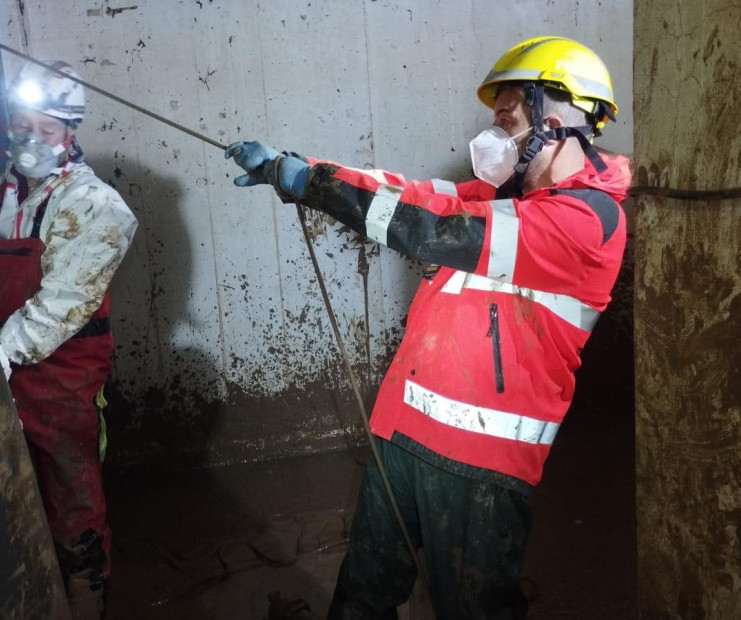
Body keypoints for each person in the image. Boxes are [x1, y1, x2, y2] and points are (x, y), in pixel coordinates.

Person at [225, 36, 629, 619]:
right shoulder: (501, 198)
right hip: (403, 432)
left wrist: (310, 187)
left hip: (479, 465)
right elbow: (406, 195)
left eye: (508, 113)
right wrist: (297, 168)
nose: (495, 129)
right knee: (361, 597)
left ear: (558, 115)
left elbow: (429, 227)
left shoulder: (586, 221)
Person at [0, 60, 137, 618]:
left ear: (70, 134)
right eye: (20, 125)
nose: (30, 139)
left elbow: (62, 303)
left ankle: (85, 598)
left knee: (70, 494)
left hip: (59, 379)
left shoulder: (96, 207)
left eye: (46, 130)